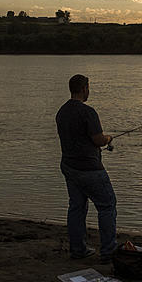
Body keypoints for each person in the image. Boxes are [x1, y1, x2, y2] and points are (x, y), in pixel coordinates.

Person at [55, 74, 117, 262]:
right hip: (89, 169)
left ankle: (78, 250)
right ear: (84, 89)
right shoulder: (88, 112)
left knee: (77, 207)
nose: (89, 91)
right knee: (107, 206)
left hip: (69, 166)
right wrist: (108, 139)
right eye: (88, 87)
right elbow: (98, 140)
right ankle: (108, 252)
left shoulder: (61, 112)